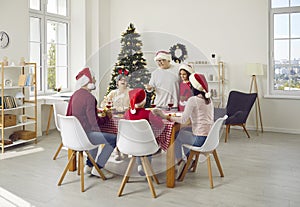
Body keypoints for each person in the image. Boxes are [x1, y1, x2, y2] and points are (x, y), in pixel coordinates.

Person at [155, 73, 214, 178]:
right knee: (182, 134)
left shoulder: (193, 100)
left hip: (200, 140)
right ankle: (188, 160)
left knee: (175, 135)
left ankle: (181, 161)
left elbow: (183, 119)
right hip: (210, 139)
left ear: (193, 87)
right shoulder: (209, 100)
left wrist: (164, 116)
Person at [66, 67, 117, 179]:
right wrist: (107, 118)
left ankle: (89, 165)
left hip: (72, 136)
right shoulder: (90, 98)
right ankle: (99, 167)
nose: (94, 81)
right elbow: (94, 123)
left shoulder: (74, 95)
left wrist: (96, 111)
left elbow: (70, 114)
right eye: (93, 79)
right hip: (85, 136)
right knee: (113, 139)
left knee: (96, 134)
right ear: (87, 81)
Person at [124, 88, 164, 176]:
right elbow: (160, 125)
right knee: (147, 140)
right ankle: (146, 166)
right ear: (144, 101)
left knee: (138, 139)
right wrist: (158, 115)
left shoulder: (127, 113)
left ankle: (140, 165)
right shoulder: (147, 113)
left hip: (130, 143)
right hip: (146, 145)